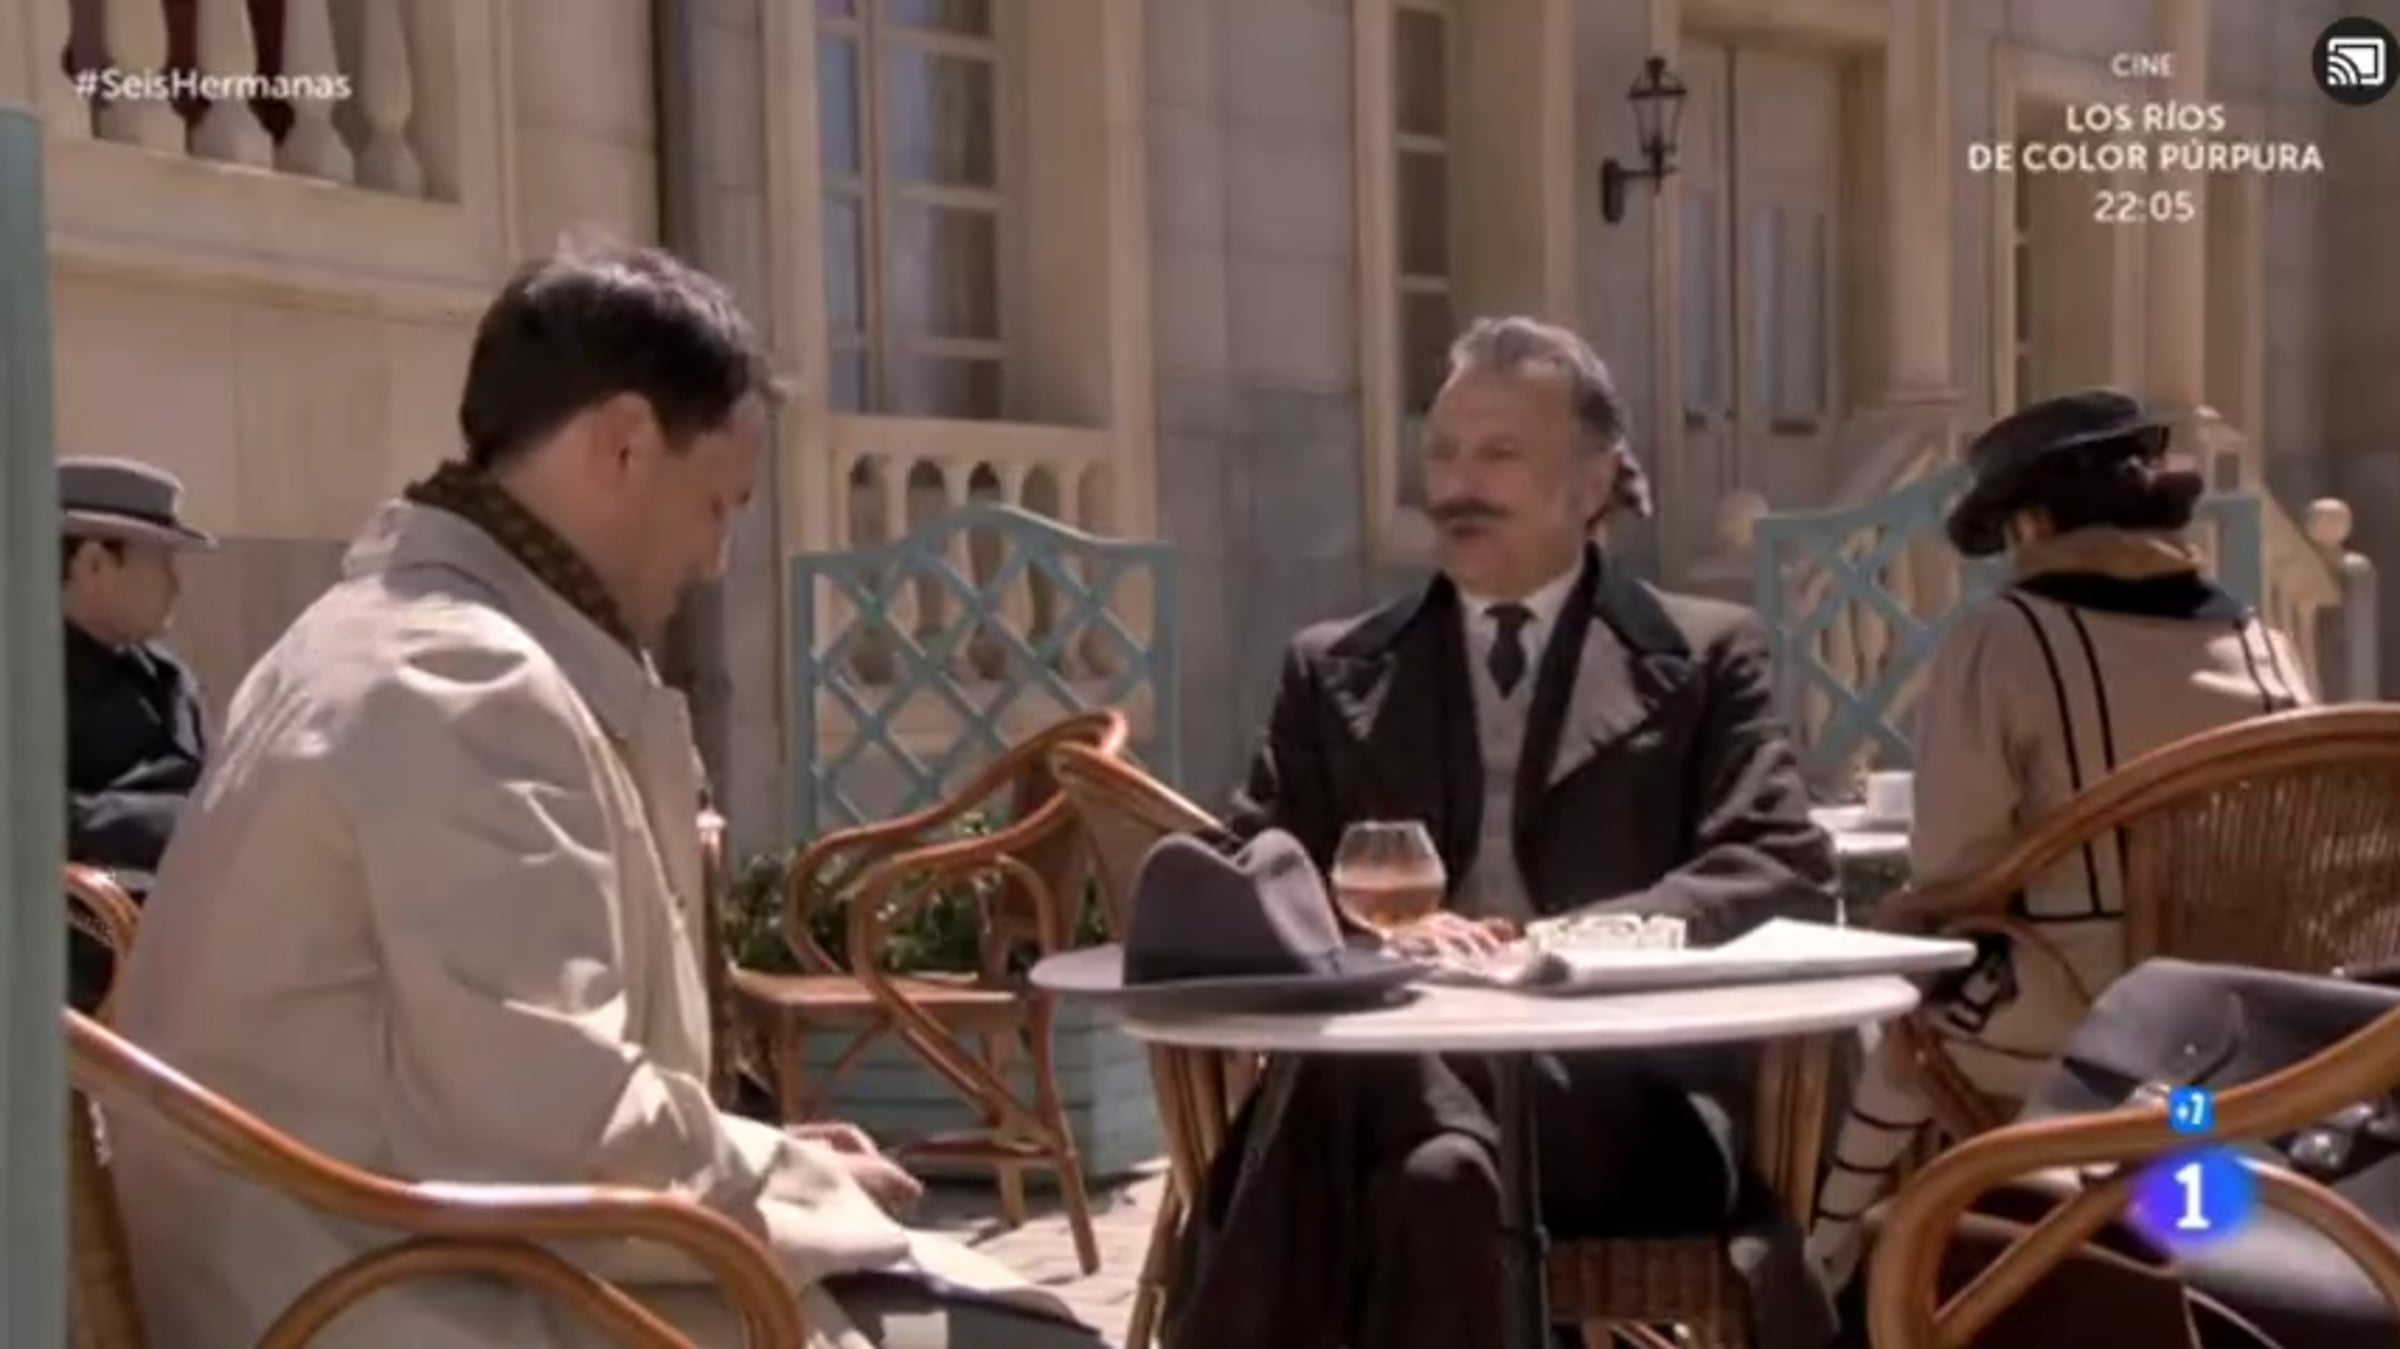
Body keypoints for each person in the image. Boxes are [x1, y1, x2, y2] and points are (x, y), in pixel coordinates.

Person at [108, 244, 1111, 1349]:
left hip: (358, 1268)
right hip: (403, 1301)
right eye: (718, 505)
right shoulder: (465, 685)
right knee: (1026, 1344)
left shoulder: (386, 636)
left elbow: (532, 1096)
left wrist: (764, 1157)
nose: (718, 559)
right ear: (624, 443)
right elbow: (557, 1131)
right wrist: (799, 1183)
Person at [1165, 316, 1841, 1349]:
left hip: (1625, 1102)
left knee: (1364, 1073)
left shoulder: (1707, 654)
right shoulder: (1333, 667)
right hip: (1400, 1109)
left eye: (1499, 454)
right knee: (1438, 1176)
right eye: (1442, 452)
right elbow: (1250, 871)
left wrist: (1558, 944)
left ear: (1593, 482)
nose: (1457, 485)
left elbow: (1780, 866)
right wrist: (1369, 935)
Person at [1807, 389, 2316, 1294]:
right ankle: (2189, 1252)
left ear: (2032, 523)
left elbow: (1955, 869)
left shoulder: (2006, 639)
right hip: (2246, 1035)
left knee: (1903, 1026)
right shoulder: (2266, 644)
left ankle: (1825, 1274)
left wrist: (1906, 920)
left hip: (2084, 1022)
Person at [59, 456, 214, 1010]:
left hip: (187, 927)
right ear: (95, 563)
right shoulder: (25, 684)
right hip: (85, 946)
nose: (176, 584)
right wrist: (174, 821)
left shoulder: (170, 678)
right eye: (161, 561)